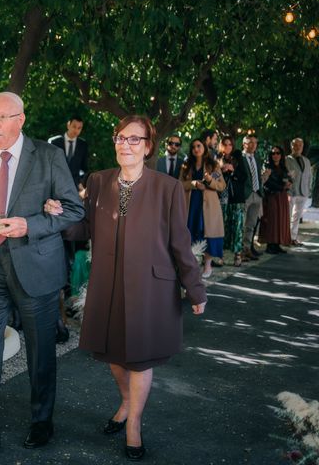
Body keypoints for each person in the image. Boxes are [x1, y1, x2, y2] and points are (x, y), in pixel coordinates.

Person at [54, 115, 206, 461]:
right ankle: (126, 401)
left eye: (134, 139)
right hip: (107, 283)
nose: (126, 144)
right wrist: (60, 214)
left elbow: (180, 244)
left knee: (139, 358)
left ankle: (133, 423)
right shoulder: (98, 181)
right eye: (120, 138)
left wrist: (195, 289)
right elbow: (84, 229)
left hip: (150, 286)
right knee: (113, 354)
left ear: (148, 146)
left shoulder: (167, 187)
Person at [0, 92, 84, 453]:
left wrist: (31, 224)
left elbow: (73, 209)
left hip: (35, 266)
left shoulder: (50, 156)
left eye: (2, 117)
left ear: (20, 120)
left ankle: (42, 422)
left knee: (41, 351)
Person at [180, 138, 226, 278]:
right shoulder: (186, 166)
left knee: (208, 233)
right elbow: (179, 184)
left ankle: (207, 266)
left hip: (209, 206)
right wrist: (193, 183)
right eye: (193, 146)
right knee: (192, 231)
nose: (196, 149)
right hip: (192, 204)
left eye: (199, 146)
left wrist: (210, 181)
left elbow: (222, 186)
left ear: (204, 148)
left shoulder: (213, 165)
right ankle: (193, 265)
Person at [219, 136, 248, 266]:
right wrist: (221, 170)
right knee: (222, 227)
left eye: (230, 144)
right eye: (225, 144)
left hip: (236, 198)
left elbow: (244, 177)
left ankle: (237, 255)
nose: (227, 147)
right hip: (221, 198)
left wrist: (233, 170)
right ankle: (220, 254)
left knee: (237, 227)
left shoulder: (239, 158)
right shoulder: (216, 159)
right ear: (221, 146)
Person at [259, 146, 292, 254]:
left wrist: (289, 183)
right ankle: (270, 245)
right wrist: (281, 187)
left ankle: (277, 244)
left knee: (280, 220)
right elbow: (267, 183)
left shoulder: (283, 167)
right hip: (271, 196)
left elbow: (287, 178)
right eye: (273, 153)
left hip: (282, 196)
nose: (275, 155)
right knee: (271, 220)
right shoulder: (267, 166)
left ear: (281, 155)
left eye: (278, 153)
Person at [241, 135, 265, 260]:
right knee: (242, 224)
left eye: (255, 143)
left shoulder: (257, 157)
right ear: (244, 144)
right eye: (250, 143)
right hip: (246, 195)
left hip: (257, 194)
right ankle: (239, 251)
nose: (253, 145)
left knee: (251, 224)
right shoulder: (240, 157)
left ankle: (247, 249)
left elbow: (258, 175)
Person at [48, 116, 89, 186]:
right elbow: (48, 165)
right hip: (55, 184)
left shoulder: (83, 145)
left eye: (79, 128)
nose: (76, 130)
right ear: (68, 125)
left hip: (75, 186)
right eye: (74, 126)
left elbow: (84, 168)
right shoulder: (54, 142)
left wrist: (81, 183)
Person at [286, 138, 312, 246]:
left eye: (300, 145)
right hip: (291, 192)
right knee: (288, 216)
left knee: (297, 217)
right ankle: (285, 237)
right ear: (291, 146)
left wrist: (308, 189)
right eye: (295, 145)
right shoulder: (286, 159)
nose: (297, 147)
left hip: (303, 192)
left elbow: (310, 176)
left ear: (302, 147)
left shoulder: (306, 160)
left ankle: (293, 237)